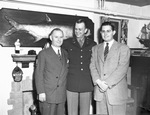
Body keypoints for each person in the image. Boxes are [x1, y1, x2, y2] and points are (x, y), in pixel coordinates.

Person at [90, 21, 130, 115]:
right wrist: (99, 82)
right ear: (100, 33)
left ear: (114, 32)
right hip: (99, 92)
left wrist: (106, 84)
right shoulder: (95, 48)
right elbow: (92, 66)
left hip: (116, 93)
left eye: (108, 31)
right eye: (103, 31)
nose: (105, 34)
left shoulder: (123, 48)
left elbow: (122, 69)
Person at [62, 18, 97, 115]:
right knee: (71, 112)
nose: (77, 31)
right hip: (71, 82)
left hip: (86, 83)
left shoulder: (92, 44)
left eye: (80, 29)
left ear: (85, 30)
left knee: (85, 112)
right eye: (76, 29)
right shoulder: (67, 43)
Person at [35, 28, 68, 115]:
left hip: (61, 94)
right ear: (51, 37)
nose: (59, 39)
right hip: (48, 94)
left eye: (61, 37)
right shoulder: (43, 53)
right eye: (56, 37)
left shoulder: (65, 53)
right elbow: (39, 74)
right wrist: (41, 92)